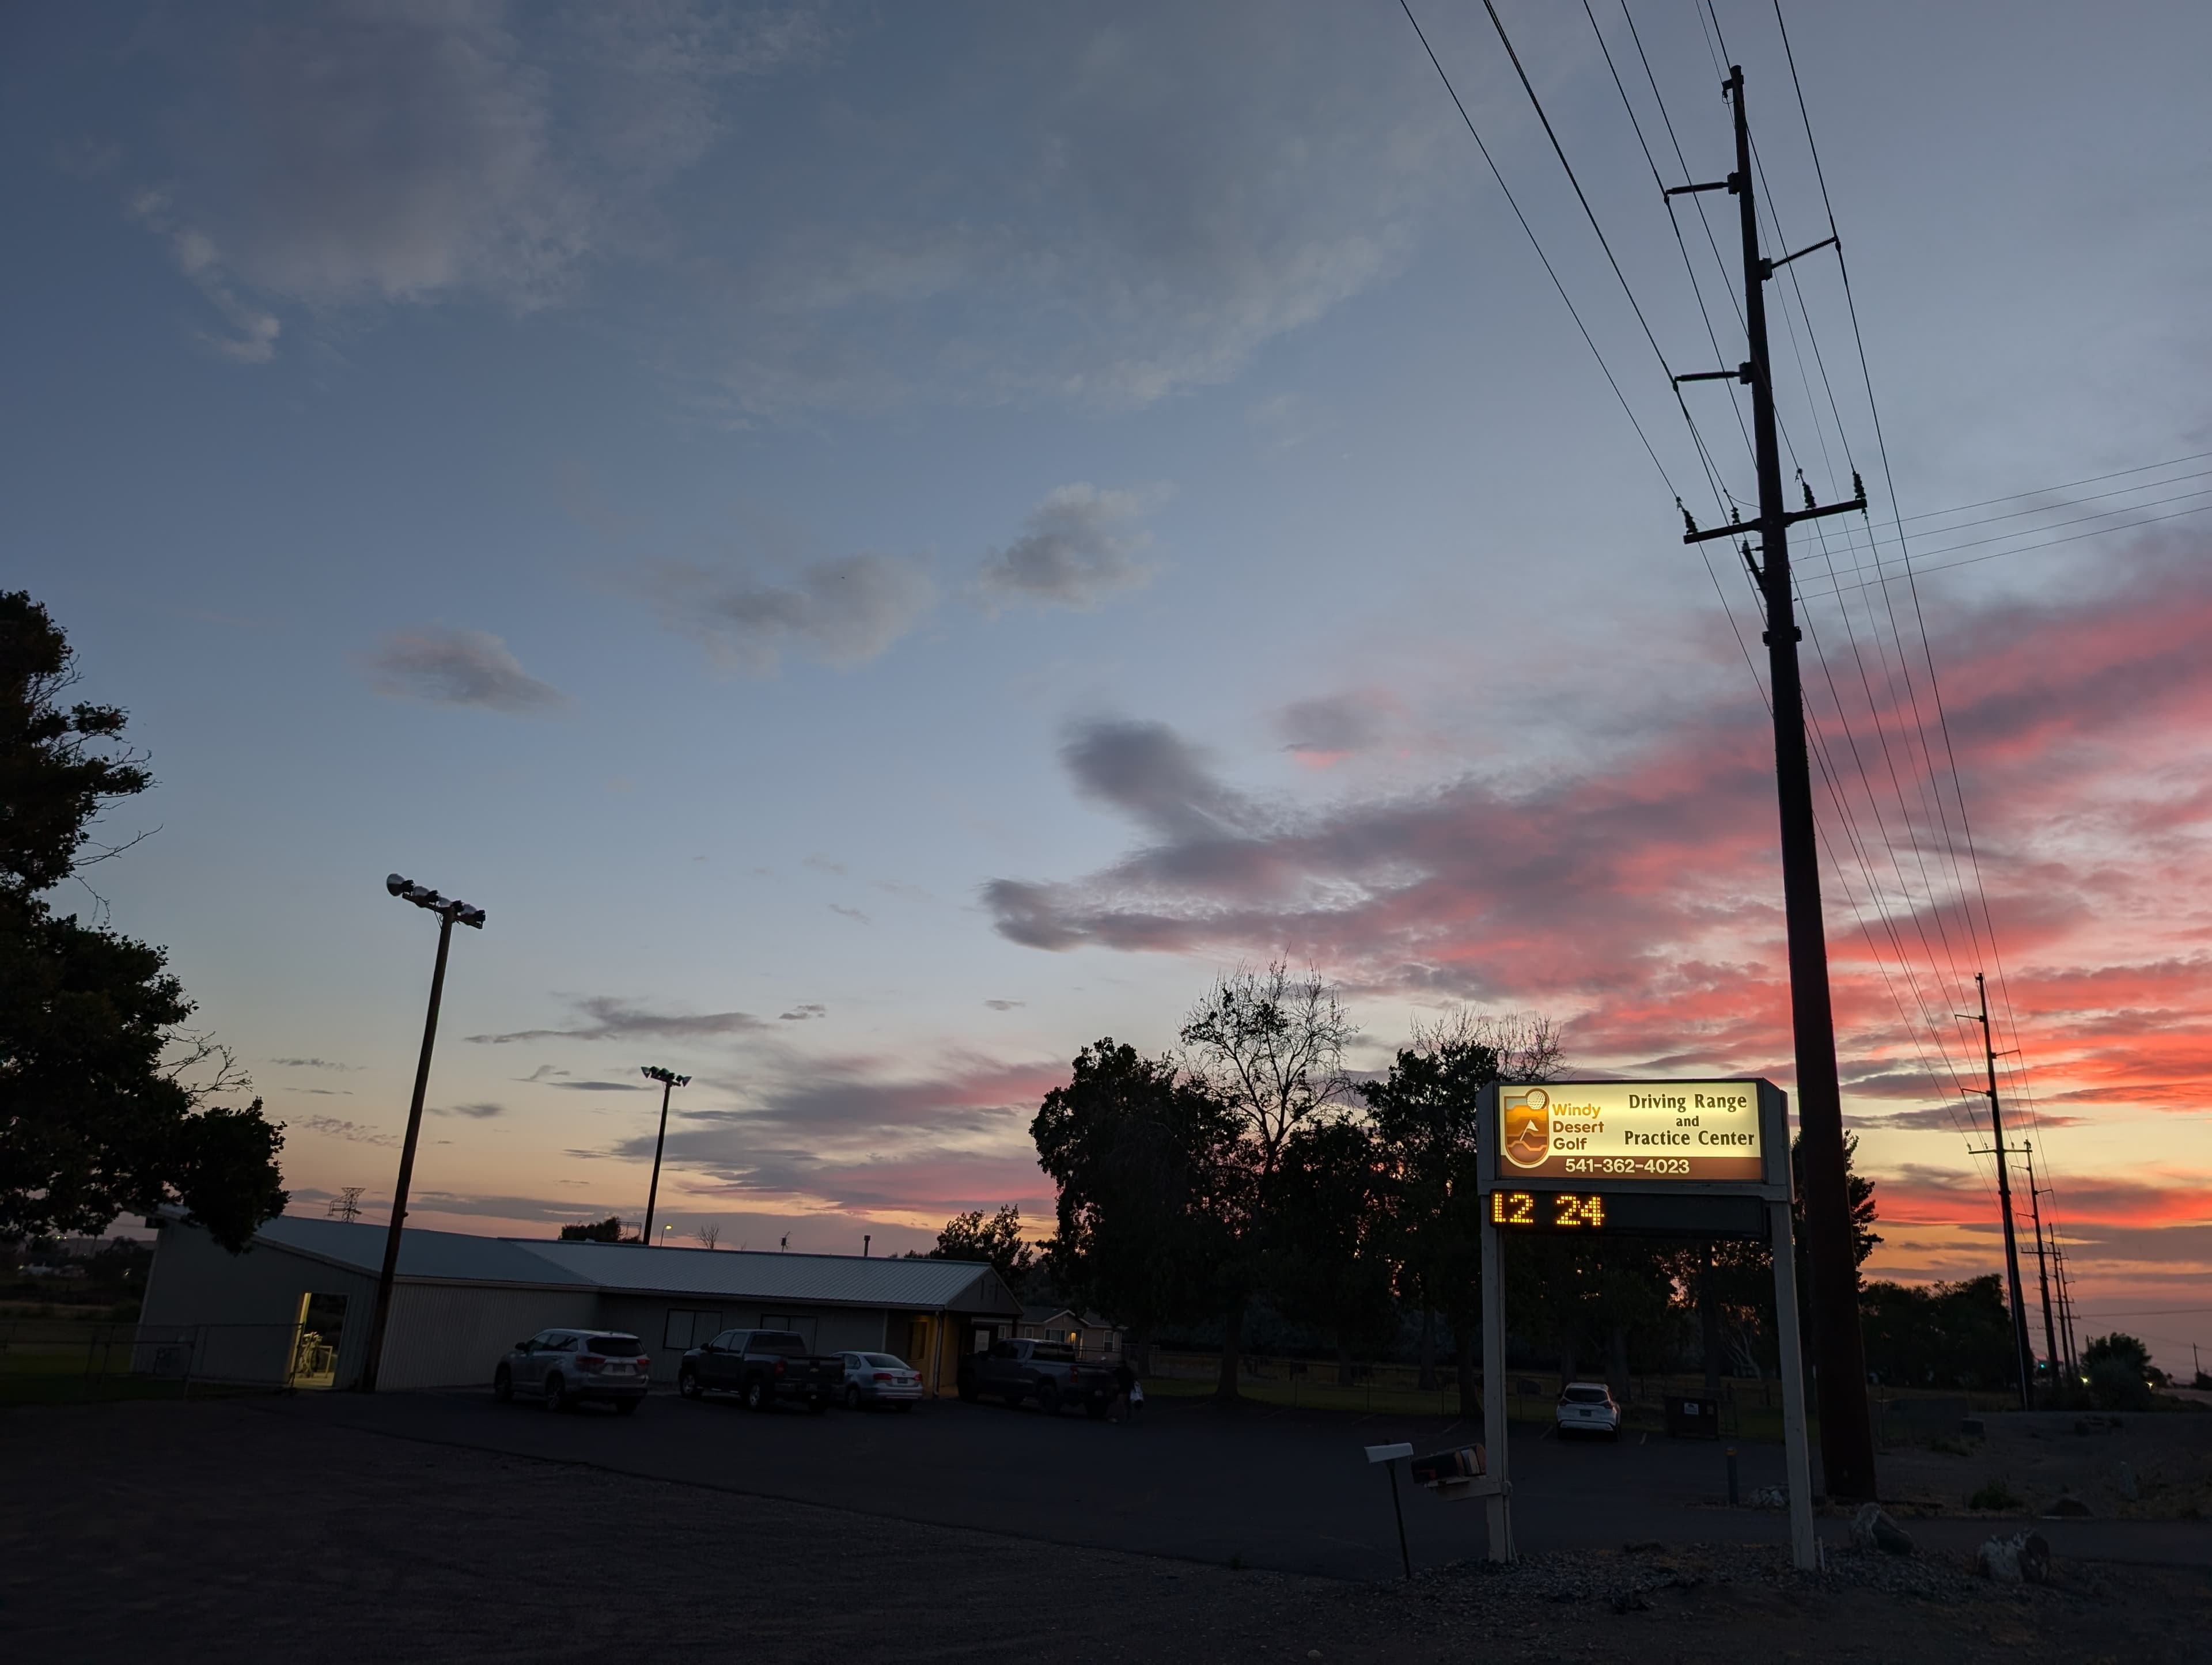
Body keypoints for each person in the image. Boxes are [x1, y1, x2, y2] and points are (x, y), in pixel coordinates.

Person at [1112, 1356, 1137, 1423]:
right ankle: (1128, 1416)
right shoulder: (1120, 1370)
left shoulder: (1127, 1371)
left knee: (1120, 1402)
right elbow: (1113, 1373)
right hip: (1124, 1389)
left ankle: (1118, 1417)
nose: (1120, 1365)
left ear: (1123, 1364)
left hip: (1126, 1389)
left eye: (1121, 1364)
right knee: (1126, 1403)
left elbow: (1133, 1379)